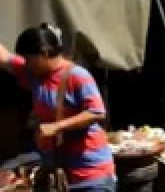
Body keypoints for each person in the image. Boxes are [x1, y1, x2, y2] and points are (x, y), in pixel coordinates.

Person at [0, 24, 116, 191]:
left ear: (45, 53)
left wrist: (55, 127)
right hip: (63, 175)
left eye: (29, 59)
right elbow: (4, 57)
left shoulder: (77, 75)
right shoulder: (34, 75)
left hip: (92, 174)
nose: (26, 63)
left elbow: (97, 112)